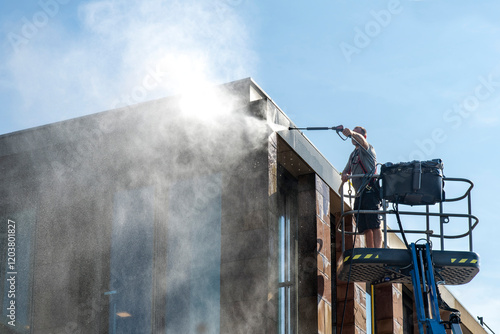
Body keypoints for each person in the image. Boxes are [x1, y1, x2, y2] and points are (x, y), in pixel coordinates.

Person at [341, 126, 382, 248]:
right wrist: (345, 175)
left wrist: (352, 133)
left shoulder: (367, 148)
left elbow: (361, 141)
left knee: (374, 224)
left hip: (370, 190)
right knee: (364, 227)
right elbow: (345, 171)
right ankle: (370, 250)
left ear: (363, 137)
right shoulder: (353, 155)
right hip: (359, 194)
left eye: (357, 134)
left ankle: (378, 250)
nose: (353, 137)